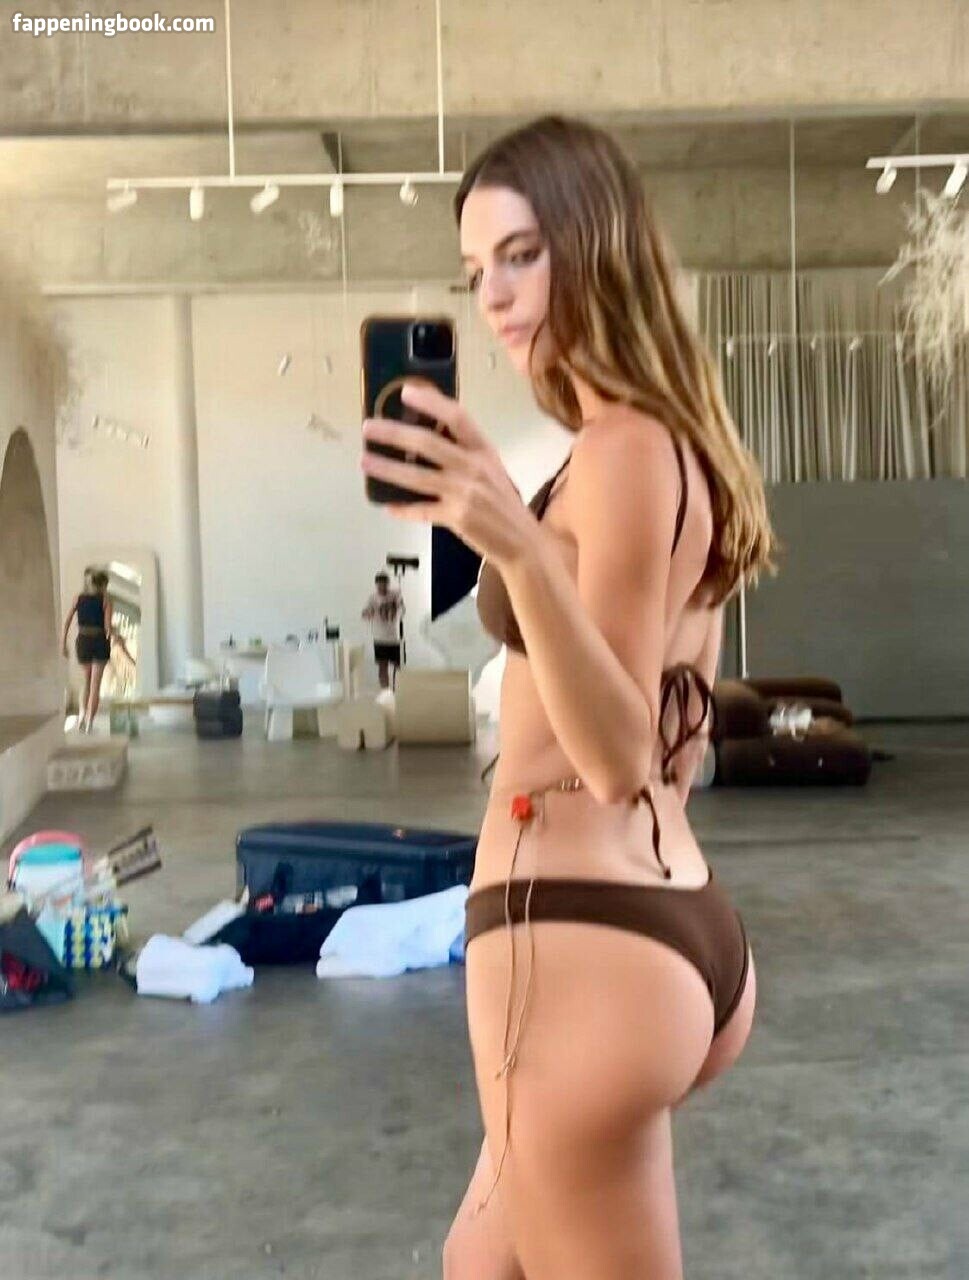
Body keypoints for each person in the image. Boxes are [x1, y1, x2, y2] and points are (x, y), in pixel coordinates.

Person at [361, 115, 775, 1279]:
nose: (493, 294)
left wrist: (516, 546)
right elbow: (662, 719)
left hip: (583, 941)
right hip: (643, 922)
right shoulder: (648, 441)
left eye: (522, 254)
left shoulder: (627, 449)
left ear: (594, 244)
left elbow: (619, 751)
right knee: (476, 1259)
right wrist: (504, 526)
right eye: (474, 269)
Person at [62, 568, 113, 733]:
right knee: (95, 686)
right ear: (103, 584)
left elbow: (67, 622)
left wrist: (63, 644)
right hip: (99, 642)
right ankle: (90, 722)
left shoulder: (78, 598)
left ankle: (82, 718)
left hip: (83, 641)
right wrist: (116, 636)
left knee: (86, 683)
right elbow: (108, 628)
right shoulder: (106, 601)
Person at [361, 571, 404, 689]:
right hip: (380, 638)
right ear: (376, 584)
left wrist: (399, 609)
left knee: (398, 666)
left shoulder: (395, 594)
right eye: (380, 584)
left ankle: (398, 689)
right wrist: (368, 613)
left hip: (394, 638)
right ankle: (385, 691)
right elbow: (364, 614)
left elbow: (402, 609)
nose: (382, 586)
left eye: (384, 584)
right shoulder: (372, 598)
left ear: (388, 584)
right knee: (382, 666)